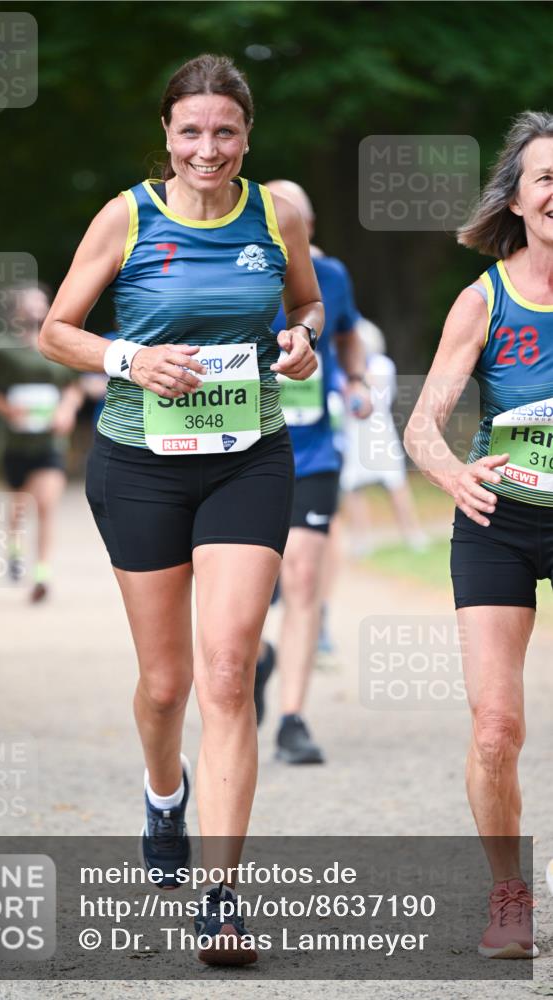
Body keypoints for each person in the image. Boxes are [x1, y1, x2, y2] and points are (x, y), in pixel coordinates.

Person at [38, 55, 322, 965]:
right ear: (167, 134)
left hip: (249, 459)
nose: (208, 148)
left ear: (247, 137)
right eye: (191, 131)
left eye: (225, 132)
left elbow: (307, 305)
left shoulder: (273, 216)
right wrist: (129, 359)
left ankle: (222, 896)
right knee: (166, 687)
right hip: (140, 464)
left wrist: (299, 341)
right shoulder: (128, 214)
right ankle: (166, 795)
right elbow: (56, 328)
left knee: (228, 671)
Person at [405, 111, 552, 959]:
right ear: (520, 197)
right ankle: (508, 894)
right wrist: (453, 473)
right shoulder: (483, 297)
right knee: (496, 727)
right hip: (498, 520)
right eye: (544, 177)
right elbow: (422, 424)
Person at [253, 180, 371, 763]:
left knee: (301, 577)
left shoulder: (334, 278)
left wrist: (356, 381)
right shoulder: (233, 271)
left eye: (297, 215)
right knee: (242, 587)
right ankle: (253, 661)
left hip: (314, 453)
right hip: (240, 451)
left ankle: (293, 719)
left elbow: (347, 337)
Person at [0, 284, 83, 603]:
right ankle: (14, 549)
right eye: (30, 303)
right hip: (13, 442)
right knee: (19, 504)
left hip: (51, 442)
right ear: (15, 310)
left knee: (45, 504)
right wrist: (6, 408)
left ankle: (42, 574)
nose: (36, 308)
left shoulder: (56, 344)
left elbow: (74, 387)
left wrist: (67, 410)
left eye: (41, 302)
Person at [340, 318, 429, 557]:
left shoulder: (382, 365)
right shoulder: (342, 369)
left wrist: (356, 375)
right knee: (352, 487)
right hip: (353, 433)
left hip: (379, 431)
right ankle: (361, 539)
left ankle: (412, 533)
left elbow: (375, 397)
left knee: (396, 483)